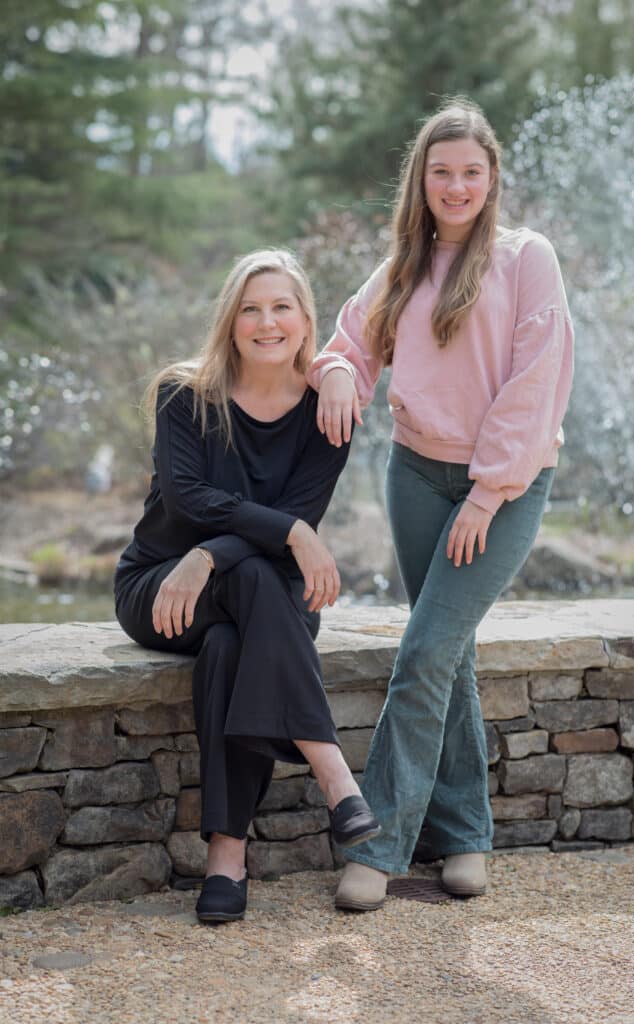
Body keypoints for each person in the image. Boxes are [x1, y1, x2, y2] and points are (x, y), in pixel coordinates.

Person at [307, 97, 574, 911]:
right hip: (416, 478)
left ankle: (377, 843)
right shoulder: (402, 265)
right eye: (440, 172)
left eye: (470, 172)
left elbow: (537, 382)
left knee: (423, 652)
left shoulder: (528, 257)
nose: (455, 186)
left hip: (507, 486)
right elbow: (343, 344)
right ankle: (463, 835)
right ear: (419, 181)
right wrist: (344, 373)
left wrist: (489, 493)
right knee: (444, 652)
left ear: (491, 177)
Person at [114, 250, 380, 924]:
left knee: (233, 642)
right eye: (251, 309)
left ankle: (226, 858)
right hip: (163, 589)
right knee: (258, 572)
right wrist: (287, 533)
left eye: (281, 307)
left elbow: (286, 511)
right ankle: (332, 773)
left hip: (260, 602)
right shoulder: (184, 395)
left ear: (304, 320)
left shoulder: (328, 407)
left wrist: (215, 552)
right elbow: (188, 498)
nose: (267, 322)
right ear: (230, 322)